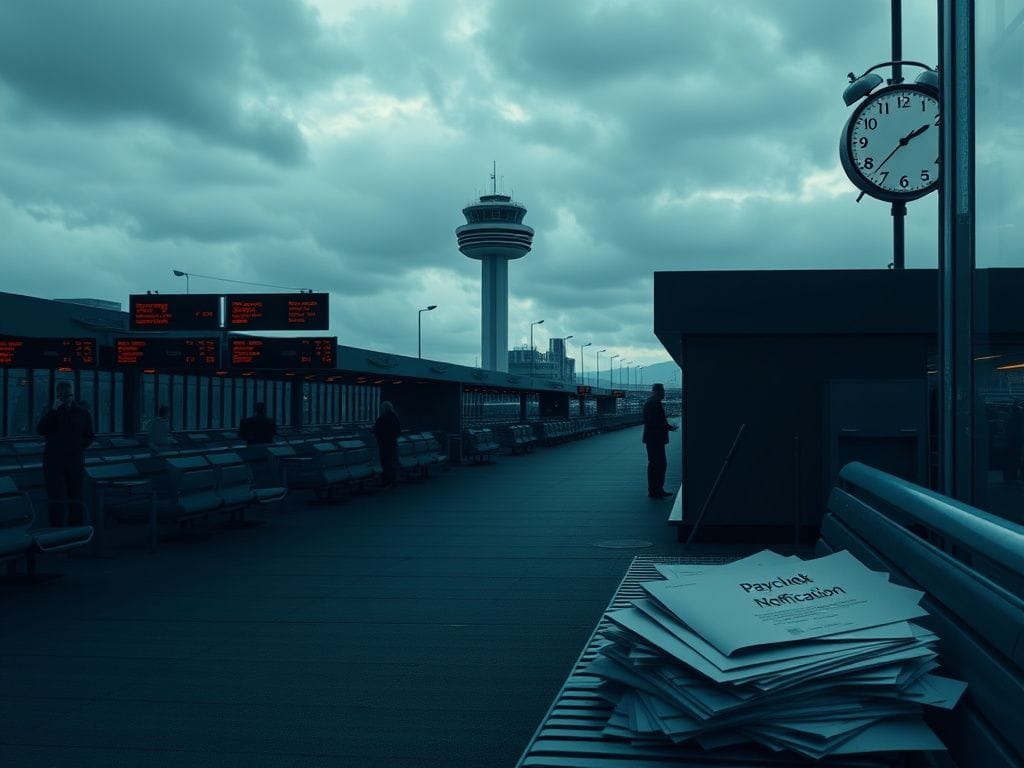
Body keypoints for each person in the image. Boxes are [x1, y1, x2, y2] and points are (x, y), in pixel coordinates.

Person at [36, 381, 95, 526]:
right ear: (57, 396)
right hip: (54, 461)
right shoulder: (51, 411)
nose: (67, 399)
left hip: (74, 459)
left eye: (69, 395)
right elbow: (41, 430)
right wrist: (53, 410)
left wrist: (78, 447)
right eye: (63, 396)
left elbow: (89, 435)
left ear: (73, 395)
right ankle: (57, 530)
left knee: (76, 495)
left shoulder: (83, 413)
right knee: (56, 497)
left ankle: (76, 530)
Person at [642, 382, 678, 499]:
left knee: (656, 464)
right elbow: (656, 422)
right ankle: (655, 491)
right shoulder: (653, 404)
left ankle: (656, 490)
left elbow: (656, 422)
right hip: (655, 440)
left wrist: (669, 427)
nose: (664, 393)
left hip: (654, 439)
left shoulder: (652, 402)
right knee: (658, 464)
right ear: (657, 391)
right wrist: (668, 427)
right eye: (663, 391)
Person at [373, 401, 402, 487]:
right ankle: (394, 480)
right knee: (393, 461)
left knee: (385, 462)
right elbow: (398, 431)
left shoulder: (382, 418)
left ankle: (387, 480)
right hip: (393, 443)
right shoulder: (395, 417)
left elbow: (376, 430)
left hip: (384, 443)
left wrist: (381, 436)